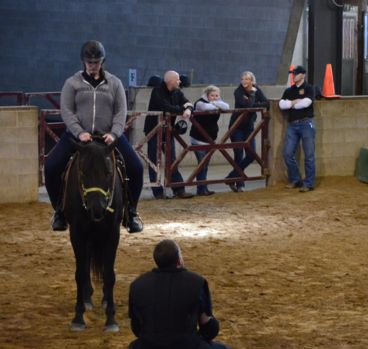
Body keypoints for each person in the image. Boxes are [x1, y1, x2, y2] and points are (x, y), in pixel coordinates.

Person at [45, 40, 144, 233]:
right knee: (51, 167)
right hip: (78, 136)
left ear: (102, 62)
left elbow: (120, 111)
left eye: (96, 62)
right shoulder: (72, 83)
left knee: (136, 167)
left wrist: (114, 133)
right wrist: (79, 132)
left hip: (108, 136)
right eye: (89, 62)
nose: (92, 66)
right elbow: (66, 110)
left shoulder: (114, 83)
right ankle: (59, 211)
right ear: (83, 62)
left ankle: (131, 213)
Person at [143, 71, 195, 199]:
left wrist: (188, 109)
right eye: (177, 80)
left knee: (172, 160)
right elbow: (166, 107)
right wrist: (182, 110)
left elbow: (188, 102)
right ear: (170, 81)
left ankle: (178, 189)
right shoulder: (157, 91)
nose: (179, 82)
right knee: (154, 161)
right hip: (154, 130)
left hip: (168, 131)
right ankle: (158, 192)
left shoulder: (177, 92)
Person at [226, 71, 269, 192]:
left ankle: (230, 177)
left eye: (247, 79)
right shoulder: (238, 91)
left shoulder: (257, 89)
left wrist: (253, 99)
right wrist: (253, 95)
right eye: (242, 79)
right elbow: (248, 105)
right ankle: (240, 184)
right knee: (238, 155)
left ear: (252, 81)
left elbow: (266, 103)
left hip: (249, 127)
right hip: (236, 126)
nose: (244, 81)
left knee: (251, 155)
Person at [279, 66, 317, 192]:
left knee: (309, 154)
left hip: (306, 123)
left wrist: (291, 105)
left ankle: (309, 183)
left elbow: (306, 103)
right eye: (293, 73)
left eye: (296, 74)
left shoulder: (309, 88)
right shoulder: (289, 90)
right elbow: (281, 104)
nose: (293, 75)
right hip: (293, 124)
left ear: (303, 75)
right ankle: (295, 179)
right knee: (287, 153)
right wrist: (294, 102)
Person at [189, 85, 230, 196]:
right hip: (198, 138)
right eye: (212, 95)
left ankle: (203, 188)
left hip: (210, 139)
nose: (215, 97)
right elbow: (206, 108)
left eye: (217, 95)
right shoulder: (200, 103)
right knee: (202, 164)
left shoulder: (215, 102)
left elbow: (227, 107)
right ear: (207, 95)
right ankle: (201, 188)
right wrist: (217, 104)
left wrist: (216, 103)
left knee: (205, 164)